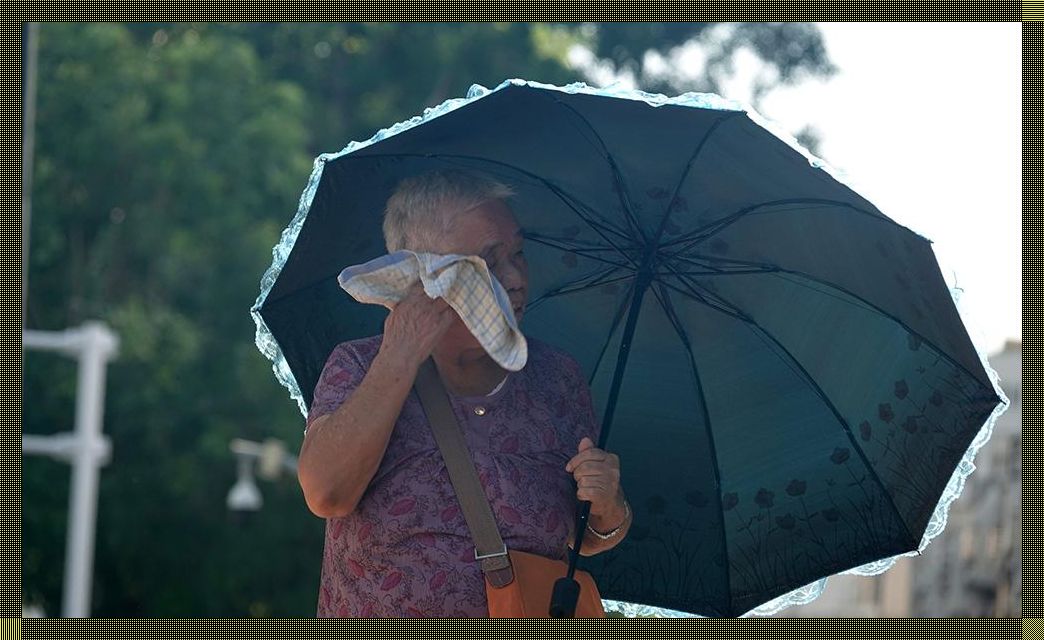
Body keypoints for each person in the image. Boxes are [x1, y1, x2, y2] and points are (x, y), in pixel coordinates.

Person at [297, 169, 631, 617]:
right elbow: (326, 493)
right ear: (425, 274)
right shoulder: (358, 366)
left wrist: (610, 507)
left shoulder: (557, 379)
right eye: (489, 264)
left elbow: (582, 536)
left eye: (519, 254)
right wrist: (399, 355)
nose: (515, 278)